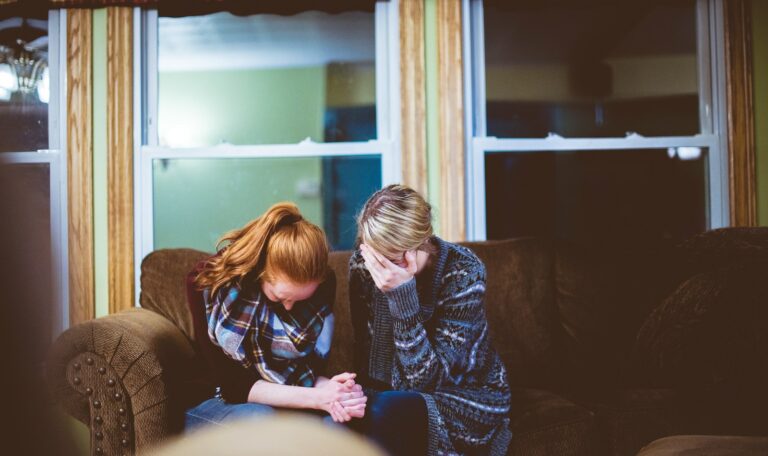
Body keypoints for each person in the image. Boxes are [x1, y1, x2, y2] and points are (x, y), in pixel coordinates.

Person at [348, 185, 512, 456]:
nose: (376, 266)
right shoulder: (363, 266)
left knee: (388, 412)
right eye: (372, 254)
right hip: (390, 395)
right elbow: (367, 356)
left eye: (388, 258)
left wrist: (403, 297)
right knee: (347, 418)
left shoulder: (464, 273)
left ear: (417, 246)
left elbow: (424, 383)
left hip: (466, 396)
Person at [185, 202, 366, 429]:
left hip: (284, 399)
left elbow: (307, 373)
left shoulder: (323, 286)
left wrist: (336, 391)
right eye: (280, 298)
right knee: (262, 420)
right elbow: (234, 386)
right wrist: (319, 398)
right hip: (218, 399)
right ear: (260, 272)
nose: (289, 308)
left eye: (299, 300)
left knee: (339, 424)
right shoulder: (207, 284)